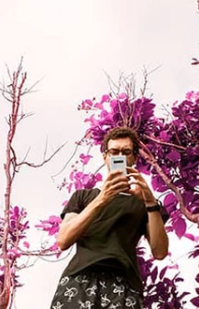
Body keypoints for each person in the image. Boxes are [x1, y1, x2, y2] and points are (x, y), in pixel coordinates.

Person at [50, 127, 169, 309]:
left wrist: (150, 201)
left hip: (124, 284)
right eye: (114, 152)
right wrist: (103, 198)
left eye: (126, 152)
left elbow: (159, 252)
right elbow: (63, 240)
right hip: (80, 279)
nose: (119, 156)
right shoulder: (83, 196)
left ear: (135, 157)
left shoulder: (146, 203)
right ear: (105, 156)